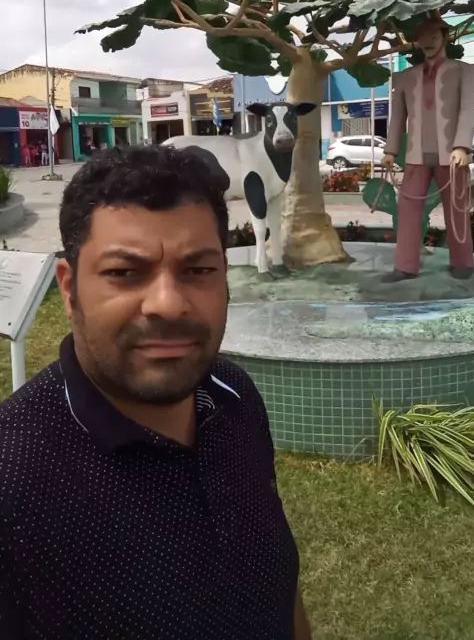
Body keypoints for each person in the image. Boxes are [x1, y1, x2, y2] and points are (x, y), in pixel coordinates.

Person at [0, 145, 310, 640]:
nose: (168, 303)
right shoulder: (13, 478)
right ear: (69, 288)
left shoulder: (234, 398)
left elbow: (278, 579)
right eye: (124, 273)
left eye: (198, 270)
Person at [381, 16, 474, 282]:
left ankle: (462, 262)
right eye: (423, 37)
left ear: (444, 37)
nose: (428, 42)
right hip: (416, 155)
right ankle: (405, 266)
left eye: (434, 36)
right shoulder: (405, 77)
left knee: (456, 208)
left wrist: (462, 146)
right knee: (408, 208)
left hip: (452, 156)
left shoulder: (466, 72)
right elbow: (397, 117)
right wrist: (390, 150)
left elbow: (468, 110)